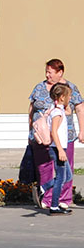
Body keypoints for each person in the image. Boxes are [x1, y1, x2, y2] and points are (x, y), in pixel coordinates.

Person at [27, 58, 84, 207]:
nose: (47, 75)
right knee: (44, 166)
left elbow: (80, 109)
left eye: (50, 72)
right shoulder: (39, 88)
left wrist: (82, 130)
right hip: (43, 135)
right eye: (46, 72)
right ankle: (47, 198)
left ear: (60, 72)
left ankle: (64, 200)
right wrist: (30, 131)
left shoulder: (70, 88)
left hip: (65, 136)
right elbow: (31, 110)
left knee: (65, 166)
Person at [42, 82, 74, 214]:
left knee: (67, 176)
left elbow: (68, 111)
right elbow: (53, 132)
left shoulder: (59, 110)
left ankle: (44, 187)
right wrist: (61, 150)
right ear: (61, 97)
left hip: (59, 148)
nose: (70, 98)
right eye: (69, 96)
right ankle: (54, 206)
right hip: (57, 148)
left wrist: (66, 107)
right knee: (61, 177)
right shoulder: (56, 113)